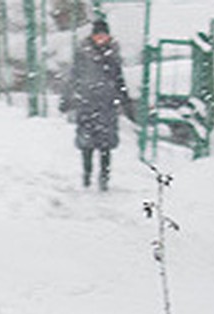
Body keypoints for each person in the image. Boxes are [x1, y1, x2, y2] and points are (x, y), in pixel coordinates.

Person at [60, 17, 136, 191]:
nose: (101, 39)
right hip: (87, 103)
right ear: (93, 37)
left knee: (105, 145)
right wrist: (67, 98)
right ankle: (87, 176)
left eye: (104, 36)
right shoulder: (83, 55)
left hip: (107, 105)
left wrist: (126, 103)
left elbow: (119, 80)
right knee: (86, 144)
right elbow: (74, 77)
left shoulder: (113, 56)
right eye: (98, 36)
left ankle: (104, 178)